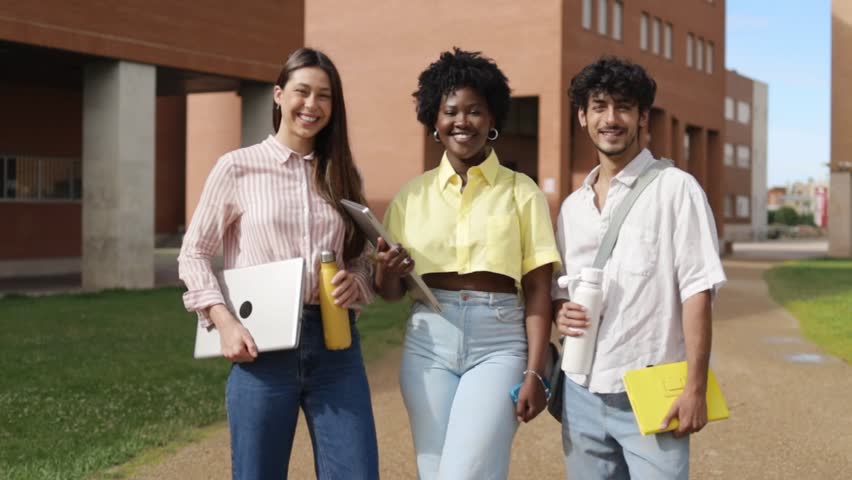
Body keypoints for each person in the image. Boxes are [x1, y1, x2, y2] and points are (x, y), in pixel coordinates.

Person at [177, 48, 378, 480]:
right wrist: (223, 321)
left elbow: (361, 257)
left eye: (324, 96)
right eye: (302, 92)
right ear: (278, 95)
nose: (312, 105)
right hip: (261, 349)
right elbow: (193, 253)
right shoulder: (236, 168)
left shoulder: (343, 174)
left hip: (336, 346)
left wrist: (355, 282)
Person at [375, 48, 562, 479]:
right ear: (434, 122)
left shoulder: (522, 192)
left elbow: (537, 289)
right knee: (436, 470)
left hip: (499, 344)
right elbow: (389, 294)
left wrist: (535, 370)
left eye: (475, 111)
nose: (462, 121)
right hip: (428, 342)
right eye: (450, 111)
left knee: (466, 473)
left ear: (492, 119)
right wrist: (388, 268)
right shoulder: (411, 196)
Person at [552, 56, 727, 479]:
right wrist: (561, 312)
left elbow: (697, 292)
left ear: (642, 117)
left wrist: (695, 388)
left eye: (623, 107)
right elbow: (562, 293)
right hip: (581, 391)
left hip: (651, 395)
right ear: (582, 116)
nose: (611, 119)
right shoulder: (572, 208)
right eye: (599, 106)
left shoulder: (676, 189)